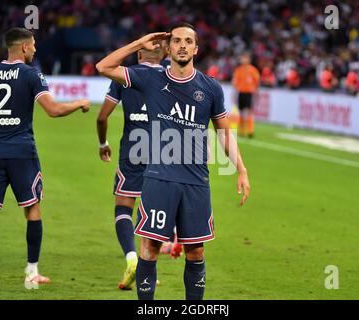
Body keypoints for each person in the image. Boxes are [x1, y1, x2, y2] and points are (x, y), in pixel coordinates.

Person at [96, 23, 250, 300]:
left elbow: (225, 134)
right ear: (168, 48)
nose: (182, 45)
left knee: (196, 251)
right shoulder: (150, 80)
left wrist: (241, 168)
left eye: (187, 41)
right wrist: (138, 42)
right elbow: (103, 67)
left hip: (196, 181)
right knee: (150, 247)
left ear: (195, 48)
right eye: (176, 40)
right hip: (159, 178)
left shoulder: (211, 88)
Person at [0, 27, 90, 289]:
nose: (36, 50)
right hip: (22, 153)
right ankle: (31, 274)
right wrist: (79, 103)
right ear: (24, 48)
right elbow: (52, 110)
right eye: (33, 46)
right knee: (32, 210)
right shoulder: (31, 74)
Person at [96, 46, 167, 290]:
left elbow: (102, 117)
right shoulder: (172, 77)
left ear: (138, 55)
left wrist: (103, 143)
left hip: (132, 149)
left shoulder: (124, 75)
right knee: (153, 211)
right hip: (163, 150)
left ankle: (132, 258)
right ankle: (150, 271)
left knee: (123, 206)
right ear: (165, 56)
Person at [232, 52, 260, 138]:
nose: (242, 60)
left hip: (249, 93)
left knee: (248, 112)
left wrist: (256, 92)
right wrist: (234, 94)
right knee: (241, 113)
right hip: (241, 93)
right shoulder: (238, 70)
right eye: (242, 58)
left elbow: (257, 82)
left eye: (244, 58)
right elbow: (235, 82)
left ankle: (250, 131)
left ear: (249, 59)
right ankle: (241, 131)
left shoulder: (253, 70)